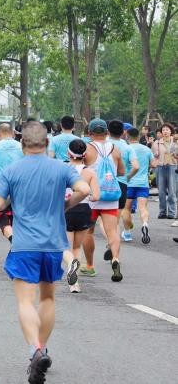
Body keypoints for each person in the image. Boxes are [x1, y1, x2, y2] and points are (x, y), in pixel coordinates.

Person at [0, 121, 90, 383]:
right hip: (54, 243)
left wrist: (11, 196)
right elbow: (85, 190)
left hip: (24, 244)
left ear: (22, 144)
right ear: (47, 143)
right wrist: (66, 204)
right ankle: (42, 346)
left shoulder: (11, 170)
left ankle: (34, 349)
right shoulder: (61, 168)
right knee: (48, 298)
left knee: (25, 300)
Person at [82, 118, 126, 282]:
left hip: (92, 196)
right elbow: (121, 172)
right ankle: (115, 259)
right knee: (112, 231)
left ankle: (90, 266)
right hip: (111, 196)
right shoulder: (115, 148)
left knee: (88, 231)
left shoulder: (87, 148)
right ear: (107, 133)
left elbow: (81, 170)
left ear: (90, 133)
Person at [61, 139, 101, 293]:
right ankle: (74, 279)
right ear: (84, 154)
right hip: (84, 209)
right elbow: (96, 196)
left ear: (68, 153)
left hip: (66, 208)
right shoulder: (90, 172)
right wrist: (87, 196)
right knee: (77, 247)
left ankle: (73, 283)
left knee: (67, 246)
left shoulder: (63, 169)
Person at [0, 123, 24, 244]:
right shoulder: (20, 145)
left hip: (2, 185)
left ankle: (12, 238)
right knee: (20, 215)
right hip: (20, 185)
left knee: (3, 216)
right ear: (12, 133)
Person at [107, 120, 139, 242]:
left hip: (103, 184)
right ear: (123, 133)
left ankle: (110, 241)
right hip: (121, 183)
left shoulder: (102, 145)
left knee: (102, 217)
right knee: (116, 217)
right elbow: (136, 166)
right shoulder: (127, 147)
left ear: (108, 131)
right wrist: (128, 177)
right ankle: (114, 245)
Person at [126, 128, 154, 240]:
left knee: (126, 209)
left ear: (127, 136)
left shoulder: (126, 149)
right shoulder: (147, 149)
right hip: (143, 183)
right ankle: (145, 224)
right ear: (138, 137)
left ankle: (127, 232)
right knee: (143, 207)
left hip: (129, 182)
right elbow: (153, 164)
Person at [152, 123, 178, 220]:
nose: (165, 131)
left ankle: (172, 212)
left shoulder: (175, 142)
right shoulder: (157, 142)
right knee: (161, 191)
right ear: (161, 132)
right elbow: (154, 156)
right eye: (163, 130)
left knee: (172, 191)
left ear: (171, 131)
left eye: (167, 129)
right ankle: (162, 212)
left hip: (173, 167)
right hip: (161, 167)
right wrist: (155, 153)